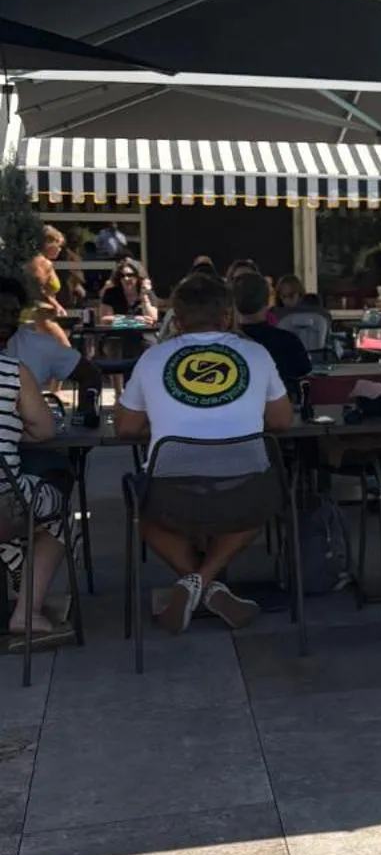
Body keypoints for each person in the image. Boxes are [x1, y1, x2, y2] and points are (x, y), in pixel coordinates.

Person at [114, 272, 293, 633]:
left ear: (176, 320)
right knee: (266, 502)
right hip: (247, 494)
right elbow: (282, 421)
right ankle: (209, 585)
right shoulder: (256, 355)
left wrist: (169, 423)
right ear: (227, 315)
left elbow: (126, 428)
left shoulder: (153, 359)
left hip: (171, 500)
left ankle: (197, 583)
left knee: (143, 516)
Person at [0, 343, 70, 639]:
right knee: (58, 515)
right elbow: (44, 431)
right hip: (4, 502)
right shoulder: (12, 371)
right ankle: (26, 613)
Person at [0, 275, 102, 396]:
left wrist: (86, 410)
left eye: (14, 313)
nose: (7, 319)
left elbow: (90, 374)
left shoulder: (37, 346)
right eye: (0, 312)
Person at [232, 269, 312, 395]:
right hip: (279, 409)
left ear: (233, 303)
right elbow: (304, 370)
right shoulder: (288, 342)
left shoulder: (222, 345)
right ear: (268, 300)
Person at [97, 256, 159, 325]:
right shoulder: (111, 293)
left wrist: (144, 296)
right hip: (117, 334)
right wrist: (133, 320)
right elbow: (104, 319)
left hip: (143, 334)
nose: (126, 278)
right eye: (122, 276)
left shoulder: (147, 293)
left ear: (138, 276)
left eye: (130, 275)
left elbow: (153, 319)